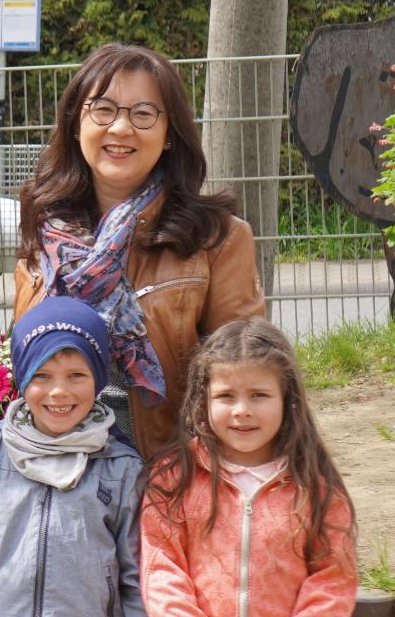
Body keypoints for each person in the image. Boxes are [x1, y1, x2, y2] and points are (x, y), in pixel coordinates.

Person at [14, 43, 265, 458]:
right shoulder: (44, 232)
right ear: (77, 125)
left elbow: (242, 376)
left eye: (143, 114)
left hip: (165, 473)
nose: (120, 129)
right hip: (53, 469)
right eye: (104, 110)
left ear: (169, 135)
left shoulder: (216, 239)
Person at [0, 298, 151, 617]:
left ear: (99, 377)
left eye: (76, 375)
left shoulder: (121, 469)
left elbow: (137, 581)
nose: (59, 391)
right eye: (42, 375)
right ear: (22, 375)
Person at [139, 319, 357, 617]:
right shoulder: (174, 478)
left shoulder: (314, 483)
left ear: (287, 398)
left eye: (259, 395)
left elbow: (334, 577)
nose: (242, 410)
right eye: (226, 396)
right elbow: (161, 569)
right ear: (204, 400)